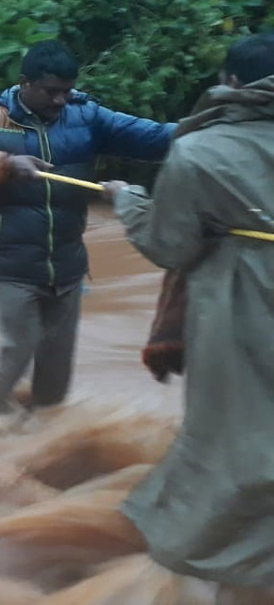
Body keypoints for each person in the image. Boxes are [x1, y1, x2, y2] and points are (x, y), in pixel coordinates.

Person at [101, 34, 274, 600]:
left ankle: (235, 578)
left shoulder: (200, 151)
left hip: (243, 311)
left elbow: (170, 245)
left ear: (229, 83)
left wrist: (127, 200)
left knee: (241, 446)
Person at [0, 39, 175, 414]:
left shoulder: (87, 116)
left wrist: (205, 131)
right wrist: (5, 164)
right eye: (51, 91)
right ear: (25, 83)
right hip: (9, 261)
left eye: (66, 91)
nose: (60, 100)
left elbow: (153, 137)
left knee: (57, 361)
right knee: (18, 347)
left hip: (68, 262)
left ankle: (43, 434)